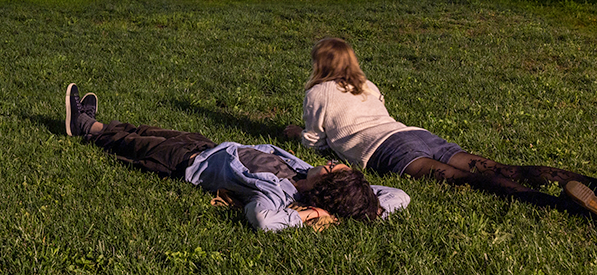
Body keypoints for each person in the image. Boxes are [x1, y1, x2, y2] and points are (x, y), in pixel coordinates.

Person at [287, 37, 597, 218]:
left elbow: (316, 140)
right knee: (504, 167)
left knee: (471, 180)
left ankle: (563, 206)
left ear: (320, 64)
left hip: (386, 150)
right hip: (415, 134)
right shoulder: (366, 84)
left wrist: (297, 135)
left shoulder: (317, 92)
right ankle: (589, 183)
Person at [64, 83, 410, 232]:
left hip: (186, 163)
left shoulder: (280, 196)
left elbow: (262, 220)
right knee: (143, 129)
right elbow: (399, 196)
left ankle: (85, 126)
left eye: (334, 168)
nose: (334, 162)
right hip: (209, 145)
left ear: (325, 187)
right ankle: (99, 122)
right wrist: (366, 208)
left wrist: (318, 215)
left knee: (132, 145)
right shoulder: (303, 173)